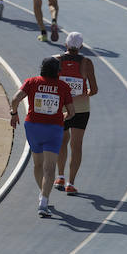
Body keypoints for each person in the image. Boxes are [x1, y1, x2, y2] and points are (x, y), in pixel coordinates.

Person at [10, 56, 75, 218]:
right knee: (50, 168)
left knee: (37, 164)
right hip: (53, 129)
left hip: (33, 127)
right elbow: (72, 112)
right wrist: (63, 116)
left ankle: (42, 194)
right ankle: (44, 201)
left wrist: (14, 114)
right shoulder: (63, 86)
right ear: (58, 71)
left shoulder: (32, 82)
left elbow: (15, 99)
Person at [53, 32, 98, 195]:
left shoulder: (55, 60)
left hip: (62, 108)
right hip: (81, 109)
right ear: (81, 47)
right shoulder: (87, 63)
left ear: (65, 45)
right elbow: (94, 90)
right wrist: (83, 92)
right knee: (76, 145)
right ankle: (71, 183)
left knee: (62, 141)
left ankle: (60, 177)